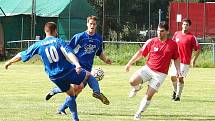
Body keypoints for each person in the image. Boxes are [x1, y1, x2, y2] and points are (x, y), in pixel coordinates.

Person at [4, 22, 107, 121]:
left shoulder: (38, 45)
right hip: (66, 71)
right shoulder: (58, 41)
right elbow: (69, 53)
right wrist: (77, 64)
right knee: (88, 75)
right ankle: (95, 93)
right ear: (55, 31)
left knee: (71, 93)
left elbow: (22, 55)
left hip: (54, 77)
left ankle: (59, 97)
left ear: (45, 31)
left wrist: (9, 62)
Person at [45, 15, 112, 114]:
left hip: (88, 67)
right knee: (79, 86)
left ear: (96, 25)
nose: (92, 26)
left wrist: (106, 59)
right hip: (76, 67)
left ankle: (60, 105)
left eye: (94, 24)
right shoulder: (79, 36)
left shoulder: (98, 38)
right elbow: (68, 50)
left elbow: (99, 53)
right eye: (90, 24)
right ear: (87, 24)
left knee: (77, 90)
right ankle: (96, 92)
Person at [125, 21, 181, 120]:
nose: (159, 33)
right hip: (148, 69)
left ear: (167, 32)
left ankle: (138, 113)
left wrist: (178, 70)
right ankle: (137, 88)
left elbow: (176, 58)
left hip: (160, 74)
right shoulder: (151, 41)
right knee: (132, 81)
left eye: (162, 31)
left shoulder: (173, 45)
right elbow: (140, 53)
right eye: (158, 31)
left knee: (148, 95)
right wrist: (129, 63)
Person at [169, 18, 200, 101]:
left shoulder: (191, 37)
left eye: (187, 25)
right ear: (181, 25)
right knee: (172, 77)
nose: (185, 26)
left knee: (180, 78)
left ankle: (178, 96)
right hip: (175, 60)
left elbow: (198, 49)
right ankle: (175, 92)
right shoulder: (176, 34)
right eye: (184, 24)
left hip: (184, 62)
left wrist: (193, 60)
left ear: (189, 26)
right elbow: (172, 45)